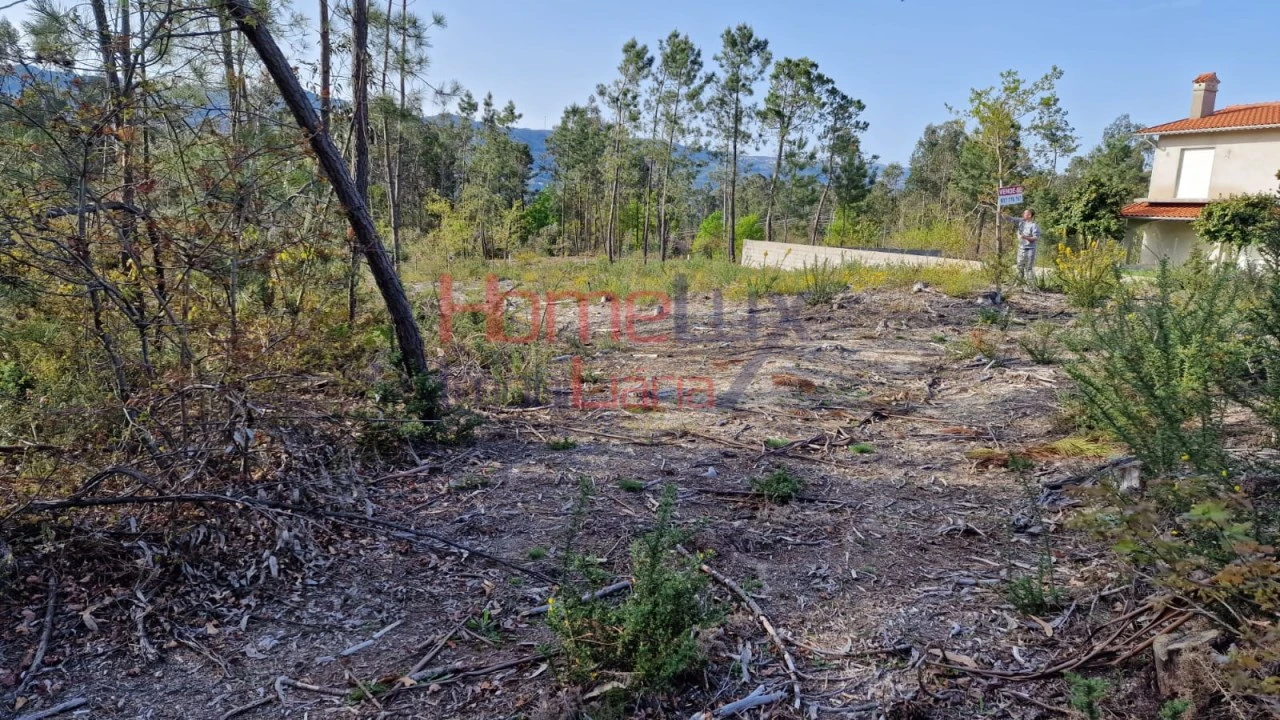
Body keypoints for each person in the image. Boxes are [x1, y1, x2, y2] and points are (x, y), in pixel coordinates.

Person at [1013, 209, 1040, 284]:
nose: (1023, 214)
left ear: (1029, 215)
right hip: (1021, 248)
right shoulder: (1021, 222)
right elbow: (1010, 219)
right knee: (1019, 266)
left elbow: (1035, 238)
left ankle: (1030, 285)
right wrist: (1002, 214)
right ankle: (1019, 283)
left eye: (1025, 213)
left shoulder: (1034, 225)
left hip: (1030, 249)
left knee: (1028, 267)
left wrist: (1025, 237)